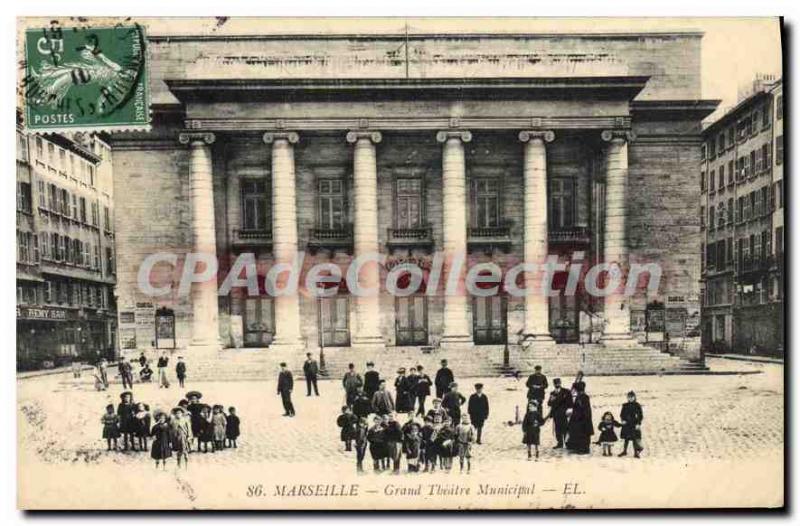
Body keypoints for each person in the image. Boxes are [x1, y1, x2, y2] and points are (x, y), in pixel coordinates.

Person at [565, 381, 593, 454]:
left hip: (582, 419)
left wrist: (577, 416)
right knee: (576, 432)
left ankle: (583, 449)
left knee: (582, 434)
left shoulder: (584, 397)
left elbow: (584, 409)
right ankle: (577, 447)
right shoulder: (580, 396)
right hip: (578, 418)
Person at [546, 378, 572, 449]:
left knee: (565, 428)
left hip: (564, 413)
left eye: (558, 383)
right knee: (558, 429)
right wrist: (552, 400)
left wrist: (568, 410)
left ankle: (567, 443)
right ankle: (559, 443)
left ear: (560, 383)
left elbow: (570, 402)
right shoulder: (552, 393)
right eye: (556, 383)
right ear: (554, 384)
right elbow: (549, 403)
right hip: (556, 414)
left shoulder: (566, 392)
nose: (557, 384)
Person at [619, 391, 644, 458]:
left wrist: (638, 423)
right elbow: (622, 414)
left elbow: (640, 416)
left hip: (634, 424)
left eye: (632, 397)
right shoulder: (625, 405)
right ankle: (624, 451)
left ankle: (636, 453)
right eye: (629, 397)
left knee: (634, 439)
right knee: (626, 439)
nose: (630, 398)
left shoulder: (637, 405)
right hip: (627, 424)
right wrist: (623, 420)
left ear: (634, 397)